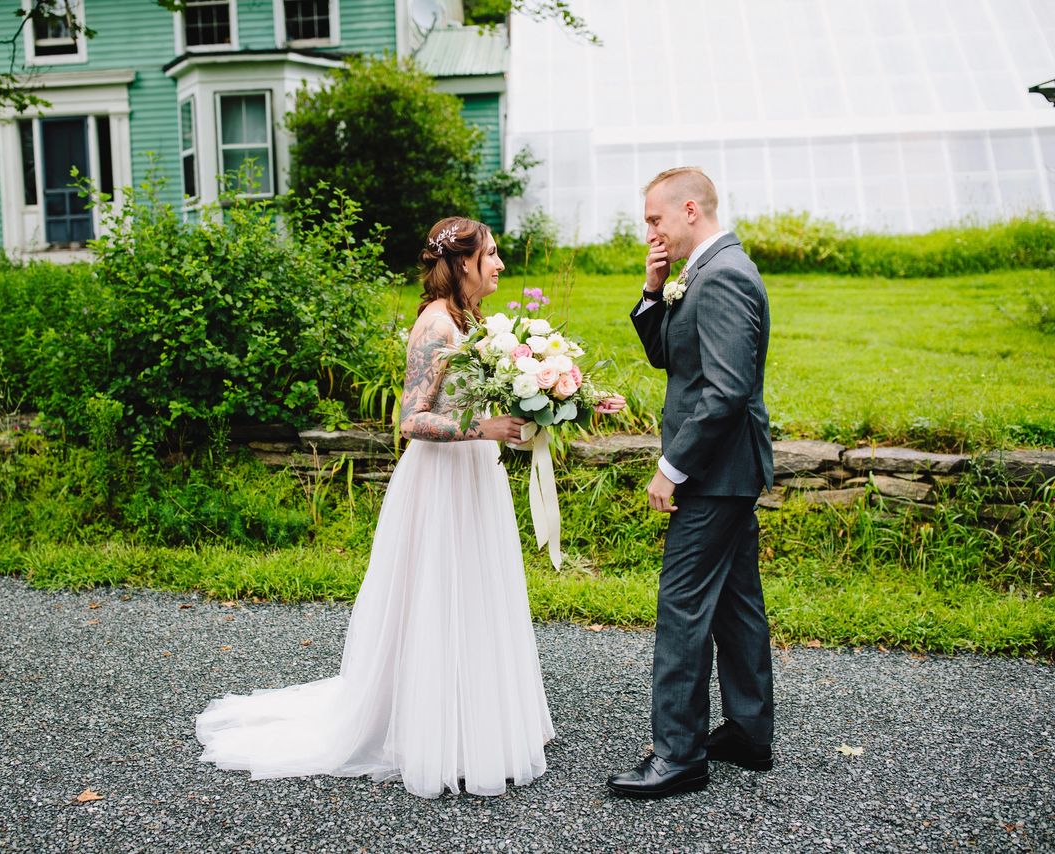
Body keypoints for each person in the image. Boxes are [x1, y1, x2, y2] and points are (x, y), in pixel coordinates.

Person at [196, 216, 625, 799]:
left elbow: (510, 389)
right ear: (463, 262)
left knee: (474, 597)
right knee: (436, 598)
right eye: (491, 255)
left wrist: (576, 398)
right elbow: (411, 420)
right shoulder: (434, 327)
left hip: (475, 478)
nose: (499, 264)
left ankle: (473, 723)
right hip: (439, 485)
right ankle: (429, 732)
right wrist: (485, 426)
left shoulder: (472, 322)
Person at [607, 167, 776, 799]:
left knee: (681, 606)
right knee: (735, 604)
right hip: (728, 471)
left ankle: (678, 754)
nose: (649, 231)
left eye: (654, 220)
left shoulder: (725, 274)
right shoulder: (696, 273)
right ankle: (750, 734)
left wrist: (670, 467)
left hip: (714, 471)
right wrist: (653, 292)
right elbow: (672, 358)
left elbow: (726, 389)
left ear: (687, 210)